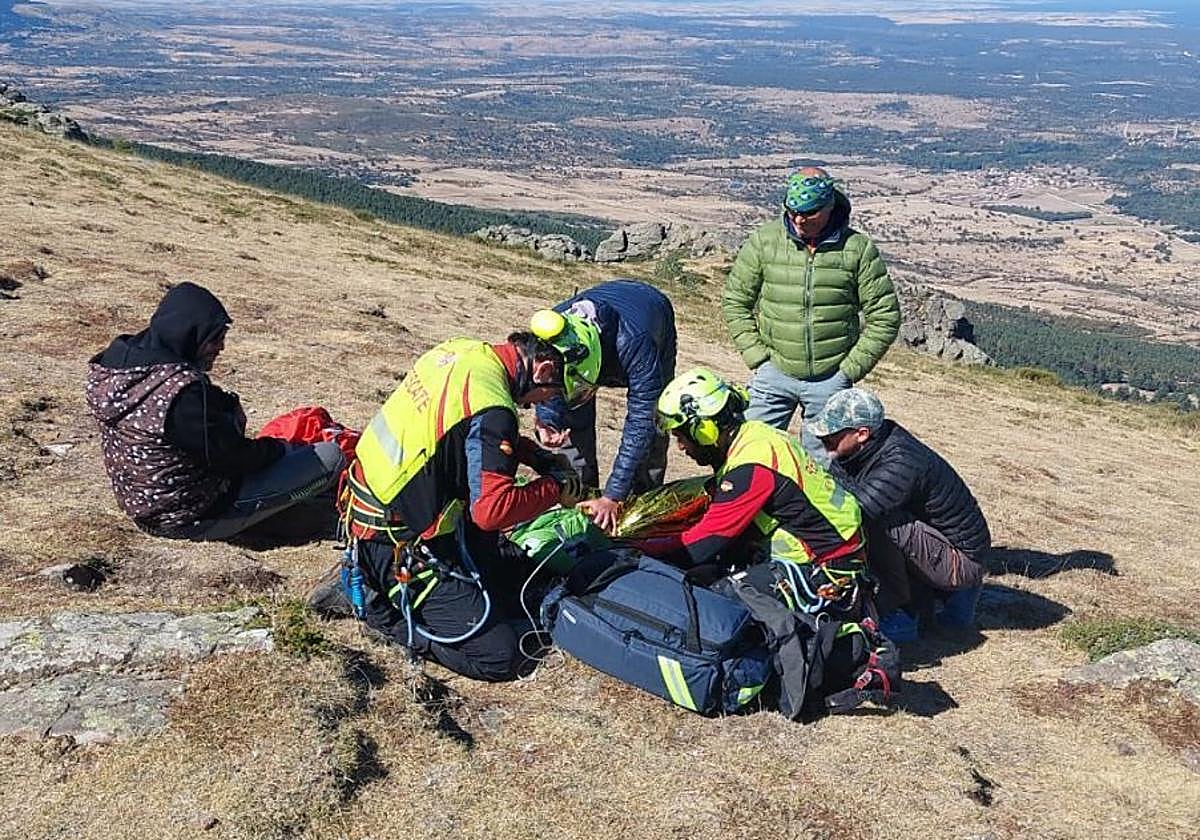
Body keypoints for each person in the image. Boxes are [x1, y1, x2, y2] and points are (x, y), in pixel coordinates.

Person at [339, 318, 595, 681]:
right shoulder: (494, 410)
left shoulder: (464, 352)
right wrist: (554, 488)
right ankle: (380, 611)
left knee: (518, 579)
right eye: (555, 393)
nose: (547, 402)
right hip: (394, 543)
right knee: (504, 655)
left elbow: (461, 433)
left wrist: (533, 456)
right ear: (545, 368)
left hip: (380, 508)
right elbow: (492, 512)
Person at [85, 282, 346, 541]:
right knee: (329, 457)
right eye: (215, 339)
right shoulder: (182, 396)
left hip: (143, 503)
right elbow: (234, 458)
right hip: (191, 515)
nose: (220, 348)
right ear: (191, 334)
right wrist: (278, 449)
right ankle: (268, 516)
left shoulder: (116, 365)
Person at [637, 367, 868, 618]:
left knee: (712, 600)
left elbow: (702, 544)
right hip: (832, 557)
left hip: (825, 572)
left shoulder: (750, 468)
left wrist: (639, 549)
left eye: (681, 436)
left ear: (704, 430)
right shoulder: (756, 436)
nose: (681, 446)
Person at [722, 167, 900, 463]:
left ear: (830, 207)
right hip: (773, 373)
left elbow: (885, 316)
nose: (799, 219)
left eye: (808, 212)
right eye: (792, 211)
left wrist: (847, 372)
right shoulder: (765, 241)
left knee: (822, 470)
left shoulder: (857, 249)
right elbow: (735, 301)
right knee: (745, 456)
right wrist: (759, 359)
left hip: (830, 380)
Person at [811, 388, 991, 640]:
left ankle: (901, 612)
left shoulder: (901, 460)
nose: (823, 437)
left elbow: (854, 511)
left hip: (962, 560)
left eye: (832, 434)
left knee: (874, 523)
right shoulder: (858, 450)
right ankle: (930, 596)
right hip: (935, 541)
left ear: (862, 433)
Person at [534, 279, 677, 533]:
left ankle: (640, 510)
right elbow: (545, 384)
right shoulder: (553, 333)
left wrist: (614, 495)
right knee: (571, 429)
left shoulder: (636, 342)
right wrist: (549, 421)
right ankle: (580, 503)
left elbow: (643, 418)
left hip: (652, 311)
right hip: (602, 341)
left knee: (656, 424)